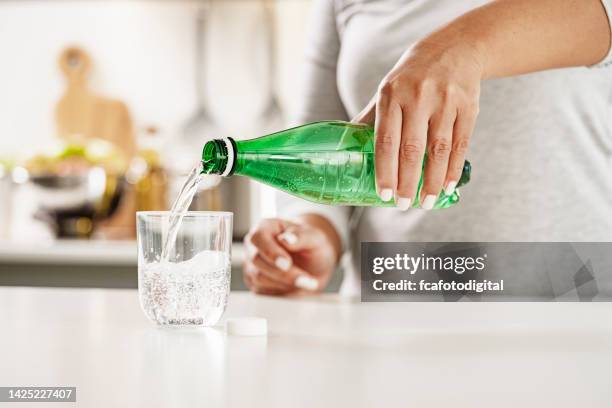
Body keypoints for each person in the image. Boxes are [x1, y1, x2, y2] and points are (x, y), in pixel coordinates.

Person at [243, 0, 612, 296]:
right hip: (394, 317)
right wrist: (311, 234)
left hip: (567, 302)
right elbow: (326, 145)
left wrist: (461, 47)